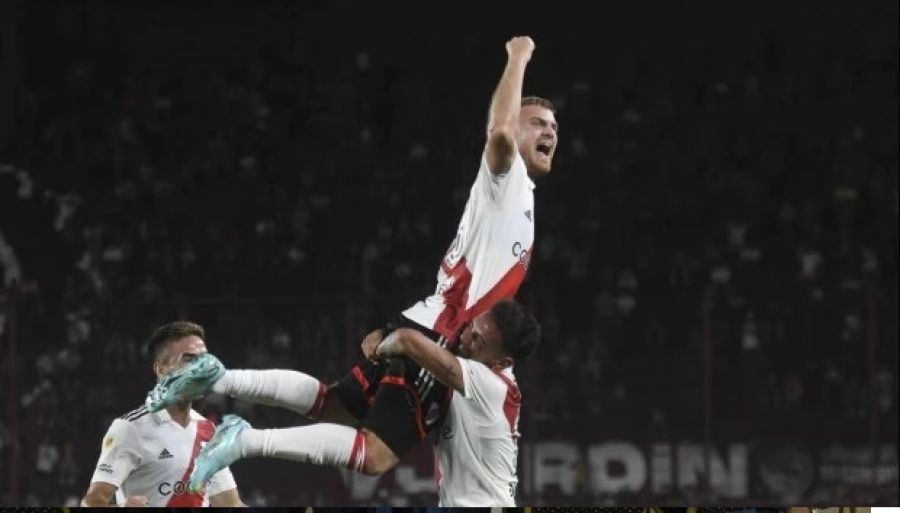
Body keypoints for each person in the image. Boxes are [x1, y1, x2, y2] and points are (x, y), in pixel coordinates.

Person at [145, 34, 557, 484]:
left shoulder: (520, 197)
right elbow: (499, 132)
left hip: (429, 319)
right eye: (537, 122)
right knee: (375, 455)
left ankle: (217, 379)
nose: (550, 132)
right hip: (442, 336)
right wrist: (519, 56)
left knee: (335, 406)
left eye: (554, 126)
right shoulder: (507, 182)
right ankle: (244, 440)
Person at [191, 298, 539, 507]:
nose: (466, 339)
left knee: (341, 416)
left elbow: (408, 340)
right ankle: (228, 398)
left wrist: (383, 343)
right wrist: (383, 338)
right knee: (343, 415)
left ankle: (226, 393)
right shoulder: (471, 363)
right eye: (473, 328)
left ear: (503, 361)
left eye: (478, 341)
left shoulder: (492, 387)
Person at [81, 322, 245, 507]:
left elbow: (231, 504)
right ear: (161, 369)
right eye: (189, 359)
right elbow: (92, 502)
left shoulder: (210, 432)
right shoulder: (131, 428)